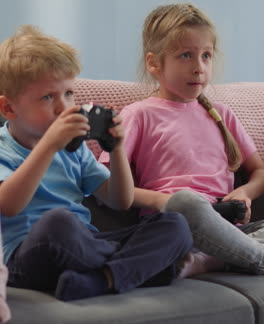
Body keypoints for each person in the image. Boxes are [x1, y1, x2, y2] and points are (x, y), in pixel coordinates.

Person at [0, 25, 193, 303]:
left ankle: (101, 281)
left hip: (86, 247)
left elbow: (121, 201)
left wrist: (116, 150)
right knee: (58, 222)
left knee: (175, 225)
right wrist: (49, 146)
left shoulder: (74, 149)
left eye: (68, 94)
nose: (63, 107)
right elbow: (9, 205)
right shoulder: (5, 148)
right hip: (28, 255)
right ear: (8, 109)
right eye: (47, 97)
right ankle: (142, 269)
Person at [99, 3, 264, 276]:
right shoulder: (138, 114)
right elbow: (104, 185)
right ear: (154, 63)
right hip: (174, 223)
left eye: (206, 56)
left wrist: (245, 193)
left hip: (230, 229)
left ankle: (213, 260)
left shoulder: (221, 114)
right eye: (186, 55)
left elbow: (258, 171)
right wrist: (162, 201)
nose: (199, 68)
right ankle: (247, 258)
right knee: (187, 202)